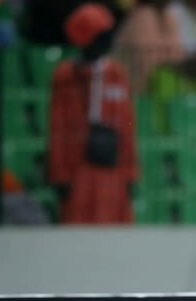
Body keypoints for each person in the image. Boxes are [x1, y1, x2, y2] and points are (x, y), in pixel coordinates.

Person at [49, 3, 137, 224]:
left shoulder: (117, 74)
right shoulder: (66, 76)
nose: (107, 41)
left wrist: (130, 171)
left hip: (112, 168)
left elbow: (128, 124)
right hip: (78, 169)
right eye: (101, 35)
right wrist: (60, 174)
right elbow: (58, 127)